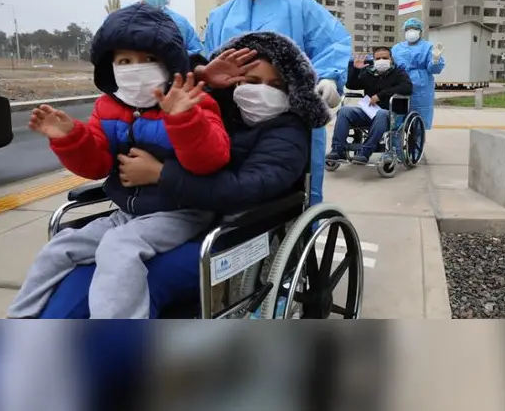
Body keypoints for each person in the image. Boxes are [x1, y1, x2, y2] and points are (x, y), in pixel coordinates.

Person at [37, 31, 330, 318]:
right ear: (235, 82)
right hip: (174, 215)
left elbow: (246, 189)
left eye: (276, 85)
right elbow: (174, 80)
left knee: (141, 280)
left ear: (292, 91)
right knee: (85, 274)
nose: (261, 90)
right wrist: (202, 73)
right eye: (252, 81)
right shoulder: (219, 109)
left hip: (238, 231)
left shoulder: (288, 133)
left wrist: (162, 174)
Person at [7, 4, 230, 319]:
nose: (135, 68)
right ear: (110, 67)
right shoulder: (107, 108)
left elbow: (211, 160)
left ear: (169, 64)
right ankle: (21, 318)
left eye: (148, 60)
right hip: (127, 213)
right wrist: (70, 138)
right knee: (61, 246)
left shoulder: (193, 100)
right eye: (125, 61)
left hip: (180, 213)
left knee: (119, 248)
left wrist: (185, 120)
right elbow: (97, 165)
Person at [203, 0, 351, 206]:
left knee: (297, 198)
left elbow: (333, 42)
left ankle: (297, 246)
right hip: (232, 122)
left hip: (290, 121)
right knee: (234, 193)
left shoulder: (299, 5)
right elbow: (208, 66)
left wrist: (330, 77)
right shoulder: (220, 16)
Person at [326, 47, 413, 164]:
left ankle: (365, 151)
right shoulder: (369, 73)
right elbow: (352, 85)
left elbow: (407, 88)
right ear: (374, 60)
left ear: (391, 59)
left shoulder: (399, 73)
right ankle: (337, 149)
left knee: (381, 113)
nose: (381, 60)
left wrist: (380, 95)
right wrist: (356, 69)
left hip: (391, 113)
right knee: (344, 111)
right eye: (378, 58)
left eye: (385, 58)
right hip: (369, 112)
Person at [391, 17, 445, 129]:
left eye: (414, 28)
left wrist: (435, 60)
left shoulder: (428, 47)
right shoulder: (396, 48)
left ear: (420, 31)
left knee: (418, 120)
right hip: (400, 84)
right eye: (408, 29)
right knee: (396, 119)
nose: (411, 31)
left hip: (422, 88)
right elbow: (390, 66)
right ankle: (396, 146)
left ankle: (415, 145)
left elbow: (434, 70)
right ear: (404, 31)